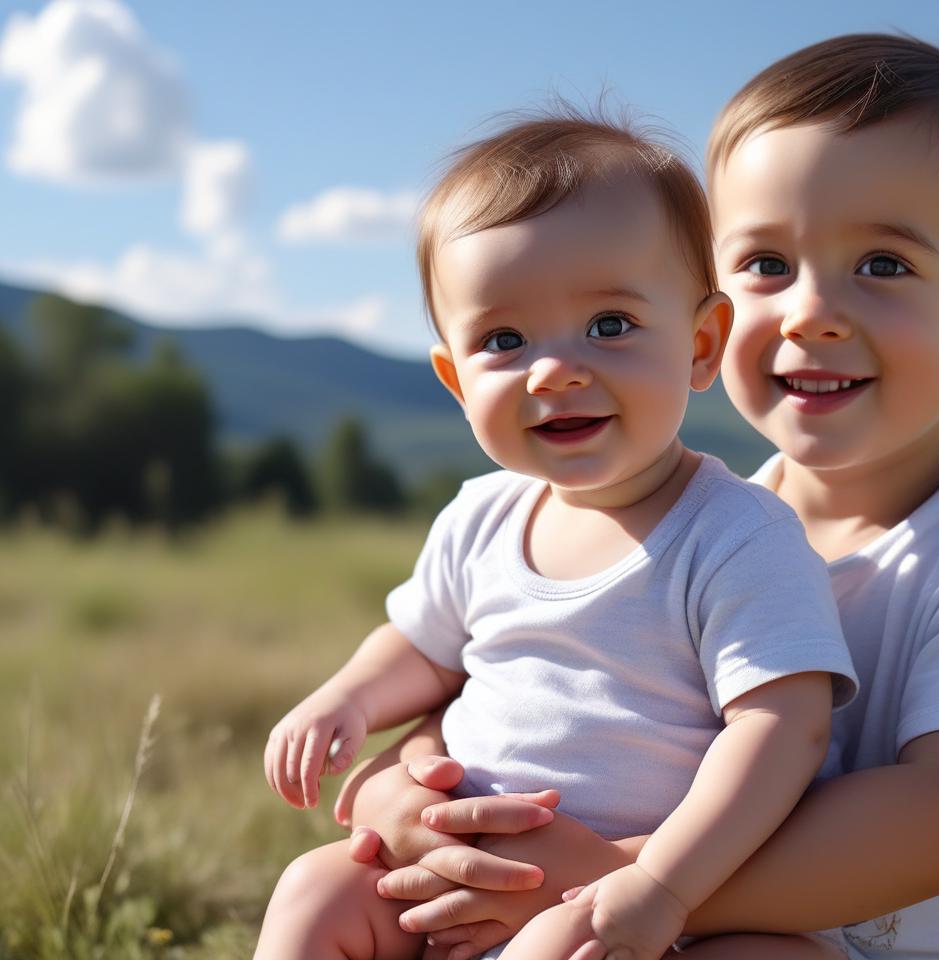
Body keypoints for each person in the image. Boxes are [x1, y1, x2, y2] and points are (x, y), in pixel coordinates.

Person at [352, 34, 939, 960]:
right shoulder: (678, 527)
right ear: (704, 310)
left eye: (885, 265)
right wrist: (401, 784)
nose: (810, 309)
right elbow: (504, 681)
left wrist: (615, 881)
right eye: (765, 266)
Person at [253, 110, 858, 960]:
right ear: (455, 380)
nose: (554, 369)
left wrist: (659, 889)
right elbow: (425, 646)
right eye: (503, 340)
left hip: (647, 907)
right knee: (316, 889)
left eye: (610, 325)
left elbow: (782, 728)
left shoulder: (736, 535)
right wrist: (347, 699)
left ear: (701, 342)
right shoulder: (481, 517)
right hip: (457, 881)